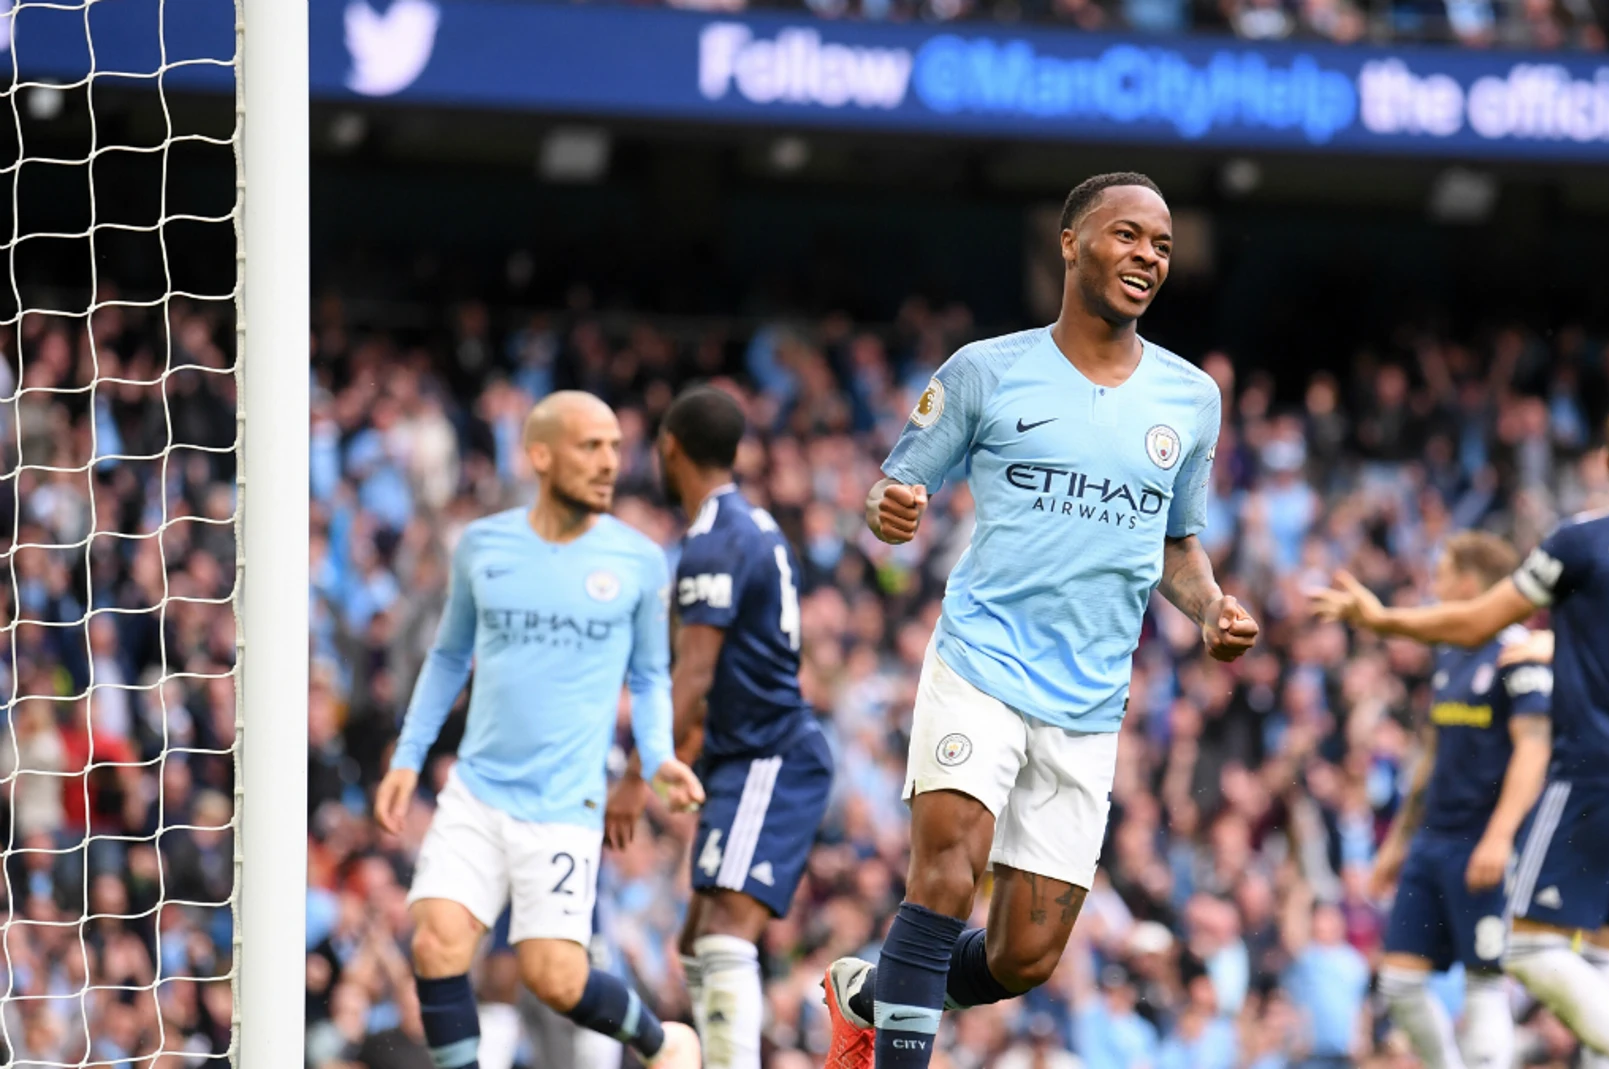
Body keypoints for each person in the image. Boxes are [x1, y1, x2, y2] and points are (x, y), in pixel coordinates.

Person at [821, 171, 1259, 1069]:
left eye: (1162, 246)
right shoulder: (986, 369)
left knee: (1025, 957)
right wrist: (891, 508)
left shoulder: (1190, 398)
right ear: (1069, 242)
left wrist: (1212, 606)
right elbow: (892, 485)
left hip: (1088, 700)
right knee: (945, 873)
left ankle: (870, 992)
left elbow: (1175, 546)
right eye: (1127, 235)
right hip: (980, 664)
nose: (1146, 255)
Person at [1310, 399, 1609, 1069]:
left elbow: (1477, 621)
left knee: (1529, 949)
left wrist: (1382, 618)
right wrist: (1560, 651)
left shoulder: (1581, 539)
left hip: (1597, 772)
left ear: (1607, 462)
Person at [373, 390, 705, 1069]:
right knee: (436, 940)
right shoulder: (483, 546)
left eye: (616, 446)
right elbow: (445, 656)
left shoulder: (639, 561)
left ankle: (662, 1040)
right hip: (477, 788)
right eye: (592, 446)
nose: (610, 461)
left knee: (553, 977)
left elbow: (649, 676)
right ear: (541, 454)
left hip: (564, 804)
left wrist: (659, 755)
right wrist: (409, 756)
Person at [654, 385, 837, 1069]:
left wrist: (640, 766)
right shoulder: (756, 525)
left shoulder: (712, 539)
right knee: (698, 937)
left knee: (726, 931)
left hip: (770, 756)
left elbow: (695, 672)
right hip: (743, 756)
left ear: (669, 448)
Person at [1366, 532, 1553, 1069]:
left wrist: (1499, 836)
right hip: (1433, 841)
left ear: (1469, 583)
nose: (1434, 583)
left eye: (1442, 572)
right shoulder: (1450, 654)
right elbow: (1432, 753)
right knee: (1398, 983)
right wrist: (1400, 840)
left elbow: (1533, 749)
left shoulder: (1518, 654)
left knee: (1485, 985)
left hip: (1485, 842)